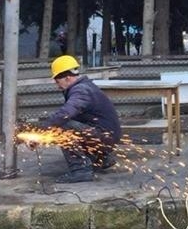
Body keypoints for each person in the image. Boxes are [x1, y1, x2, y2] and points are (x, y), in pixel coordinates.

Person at [34, 55, 122, 183]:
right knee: (75, 123)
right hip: (107, 135)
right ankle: (102, 158)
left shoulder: (81, 91)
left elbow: (65, 114)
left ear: (67, 78)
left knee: (62, 126)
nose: (57, 85)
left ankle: (80, 170)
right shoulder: (85, 86)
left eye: (57, 81)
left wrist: (41, 131)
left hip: (104, 137)